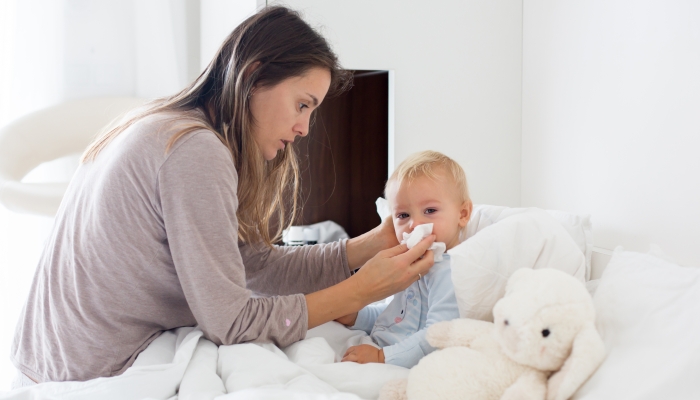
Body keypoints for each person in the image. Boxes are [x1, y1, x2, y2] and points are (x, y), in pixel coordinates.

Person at [10, 6, 436, 387]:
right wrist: (359, 292)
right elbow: (231, 322)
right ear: (253, 76)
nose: (305, 128)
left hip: (48, 361)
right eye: (302, 105)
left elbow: (251, 265)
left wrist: (369, 246)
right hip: (87, 373)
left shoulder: (167, 123)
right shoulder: (195, 150)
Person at [338, 151, 472, 368]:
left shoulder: (451, 271)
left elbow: (436, 337)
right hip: (378, 347)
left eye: (430, 210)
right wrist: (358, 317)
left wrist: (383, 357)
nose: (414, 224)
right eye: (403, 215)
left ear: (463, 214)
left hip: (405, 363)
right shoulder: (409, 263)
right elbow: (395, 317)